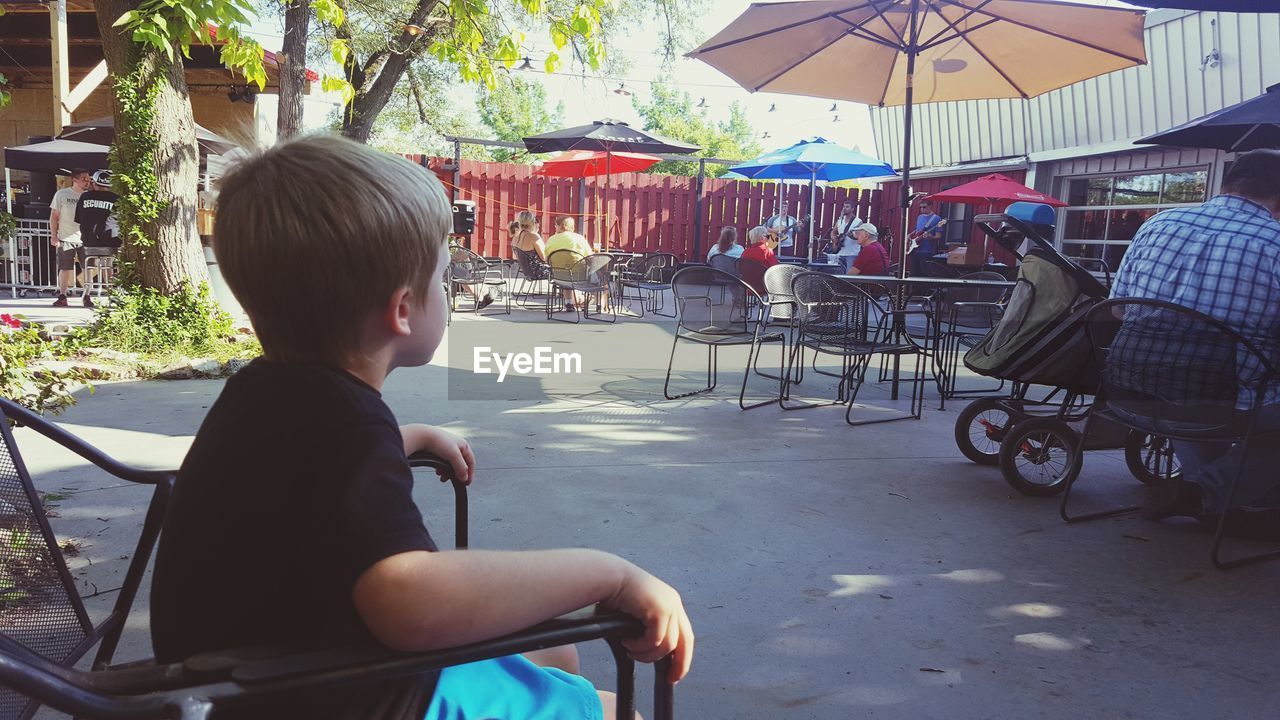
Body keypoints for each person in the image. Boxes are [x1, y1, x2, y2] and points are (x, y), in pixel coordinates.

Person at [151, 135, 693, 720]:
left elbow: (307, 475)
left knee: (557, 647)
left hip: (247, 672)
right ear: (403, 309)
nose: (448, 290)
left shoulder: (272, 389)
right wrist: (607, 575)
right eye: (442, 275)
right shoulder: (348, 423)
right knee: (620, 712)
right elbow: (406, 600)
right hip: (331, 691)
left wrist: (406, 436)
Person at [1109, 148, 1280, 536]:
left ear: (1225, 184)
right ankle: (1204, 494)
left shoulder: (1157, 224)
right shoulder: (1275, 242)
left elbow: (1118, 311)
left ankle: (1220, 499)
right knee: (1216, 388)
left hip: (1132, 391)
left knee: (1185, 377)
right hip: (1218, 400)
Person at [73, 170, 121, 308]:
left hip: (88, 240)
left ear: (94, 183)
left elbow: (78, 219)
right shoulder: (115, 199)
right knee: (108, 264)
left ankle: (86, 293)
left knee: (89, 265)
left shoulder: (84, 197)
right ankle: (112, 294)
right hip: (109, 240)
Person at [48, 168, 91, 307]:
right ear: (75, 179)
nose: (87, 181)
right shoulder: (62, 194)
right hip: (66, 237)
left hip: (86, 238)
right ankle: (62, 295)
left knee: (87, 268)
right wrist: (54, 236)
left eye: (88, 178)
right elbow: (54, 216)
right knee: (64, 267)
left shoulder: (90, 195)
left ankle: (87, 295)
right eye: (84, 178)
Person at [545, 216, 600, 311]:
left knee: (566, 272)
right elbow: (590, 258)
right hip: (579, 276)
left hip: (558, 277)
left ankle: (569, 303)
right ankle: (599, 304)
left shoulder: (551, 239)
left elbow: (547, 259)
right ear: (572, 227)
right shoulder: (579, 238)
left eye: (555, 225)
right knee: (599, 277)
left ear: (559, 226)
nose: (554, 227)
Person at [738, 225, 778, 296]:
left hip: (748, 286)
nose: (768, 239)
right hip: (765, 285)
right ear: (762, 238)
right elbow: (775, 269)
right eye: (767, 237)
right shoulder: (767, 251)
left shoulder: (745, 252)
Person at [908, 201, 945, 276]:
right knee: (914, 273)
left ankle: (923, 288)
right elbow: (917, 230)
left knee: (924, 274)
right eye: (920, 207)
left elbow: (938, 236)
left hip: (926, 251)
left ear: (930, 206)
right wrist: (909, 234)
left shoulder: (936, 218)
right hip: (915, 249)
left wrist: (930, 237)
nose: (922, 209)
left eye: (924, 207)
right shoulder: (920, 217)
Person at [826, 201, 862, 273]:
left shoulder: (858, 222)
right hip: (839, 252)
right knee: (838, 274)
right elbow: (833, 231)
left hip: (852, 253)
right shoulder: (840, 220)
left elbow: (859, 237)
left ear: (852, 209)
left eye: (847, 207)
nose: (844, 209)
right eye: (844, 207)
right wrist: (834, 238)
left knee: (849, 275)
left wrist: (851, 236)